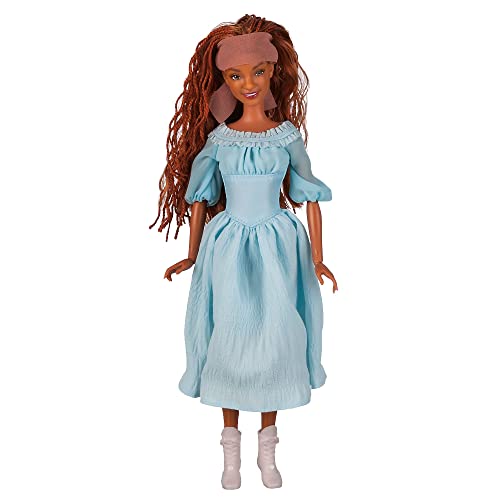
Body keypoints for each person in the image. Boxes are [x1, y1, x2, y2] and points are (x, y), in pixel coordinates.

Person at [150, 14, 338, 489]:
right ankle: (230, 452)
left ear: (273, 71)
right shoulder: (220, 140)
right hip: (229, 244)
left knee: (277, 336)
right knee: (230, 336)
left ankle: (267, 451)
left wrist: (317, 258)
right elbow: (200, 198)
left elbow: (308, 193)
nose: (248, 84)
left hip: (278, 244)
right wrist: (192, 254)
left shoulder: (286, 137)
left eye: (257, 72)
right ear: (223, 81)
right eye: (235, 76)